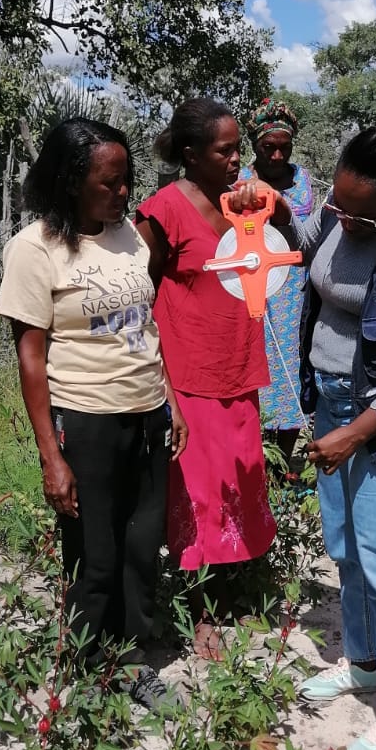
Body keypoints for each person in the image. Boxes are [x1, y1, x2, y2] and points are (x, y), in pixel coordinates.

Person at [233, 127, 376, 750]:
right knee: (348, 548)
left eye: (362, 213)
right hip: (331, 403)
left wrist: (359, 430)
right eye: (338, 205)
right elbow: (311, 252)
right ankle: (361, 664)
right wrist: (278, 208)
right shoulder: (337, 218)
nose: (347, 220)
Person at [0, 118, 188, 711]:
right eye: (111, 183)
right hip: (86, 417)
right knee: (94, 552)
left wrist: (171, 400)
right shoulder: (33, 250)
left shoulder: (128, 234)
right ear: (72, 181)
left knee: (142, 544)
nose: (124, 193)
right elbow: (30, 356)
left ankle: (132, 659)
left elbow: (145, 326)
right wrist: (52, 456)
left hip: (147, 412)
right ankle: (85, 664)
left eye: (126, 180)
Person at [135, 98, 277, 659]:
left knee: (237, 484)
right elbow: (133, 291)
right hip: (189, 374)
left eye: (238, 147)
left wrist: (266, 201)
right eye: (226, 150)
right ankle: (202, 613)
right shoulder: (164, 211)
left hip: (238, 367)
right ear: (192, 155)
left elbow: (286, 228)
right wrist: (157, 377)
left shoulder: (245, 201)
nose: (237, 158)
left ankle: (234, 591)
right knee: (199, 498)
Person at [240, 98, 314, 471]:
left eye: (284, 146)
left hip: (293, 293)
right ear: (255, 144)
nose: (278, 154)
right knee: (255, 368)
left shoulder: (303, 184)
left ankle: (285, 464)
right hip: (251, 288)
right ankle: (256, 461)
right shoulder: (239, 183)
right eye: (269, 147)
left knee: (291, 367)